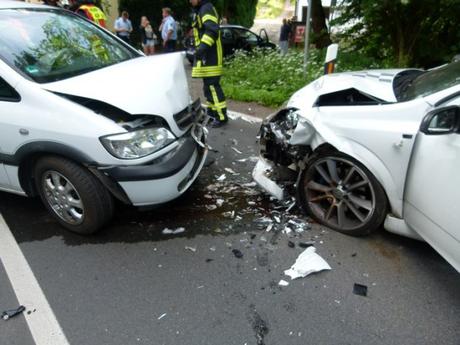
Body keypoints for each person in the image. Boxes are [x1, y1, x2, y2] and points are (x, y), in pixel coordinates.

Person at [189, 0, 228, 128]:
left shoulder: (206, 8)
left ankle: (221, 117)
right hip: (208, 55)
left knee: (212, 86)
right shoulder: (202, 8)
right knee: (208, 87)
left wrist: (201, 49)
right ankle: (212, 113)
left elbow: (212, 31)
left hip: (211, 56)